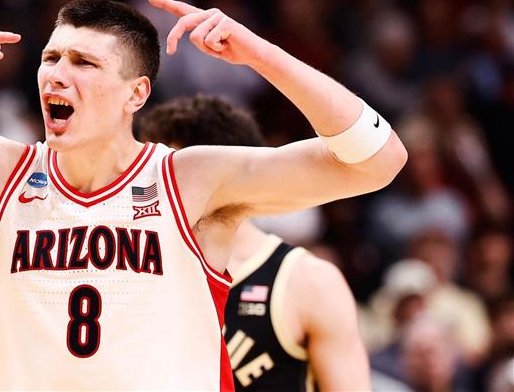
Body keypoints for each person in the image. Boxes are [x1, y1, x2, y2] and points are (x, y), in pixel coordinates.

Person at [0, 0, 407, 390]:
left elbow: (377, 159)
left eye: (84, 63)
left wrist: (261, 55)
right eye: (51, 57)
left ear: (136, 94)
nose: (57, 73)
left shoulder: (190, 181)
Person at [139, 95, 372, 391]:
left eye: (162, 171)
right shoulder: (139, 271)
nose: (147, 186)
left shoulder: (308, 281)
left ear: (215, 174)